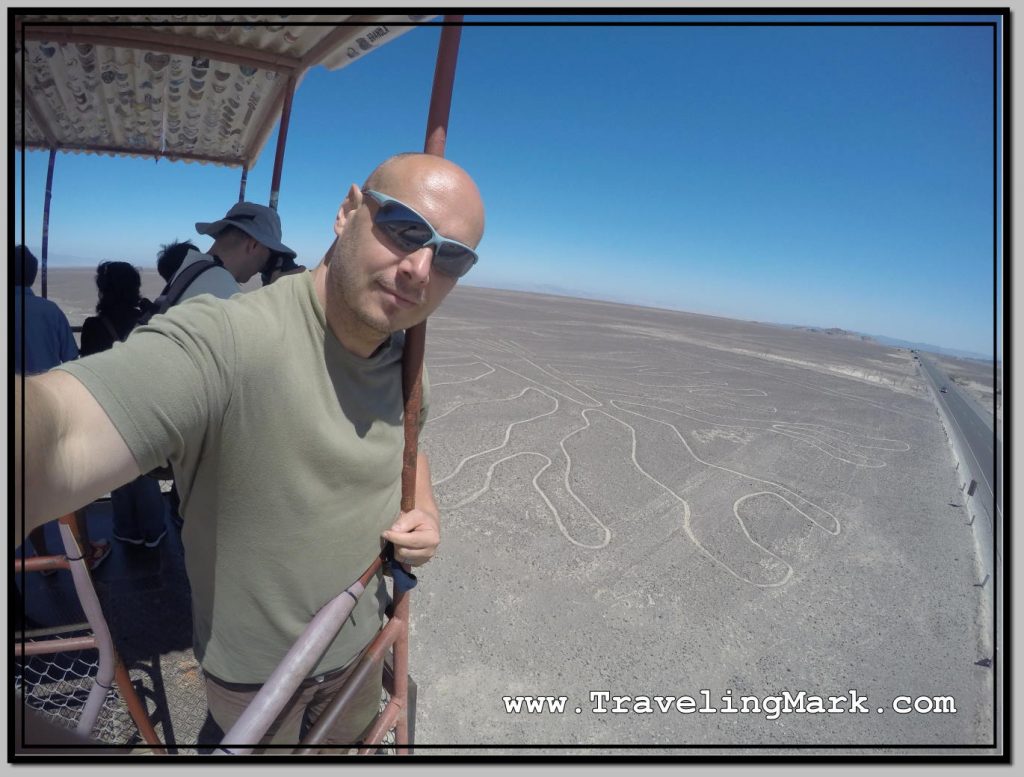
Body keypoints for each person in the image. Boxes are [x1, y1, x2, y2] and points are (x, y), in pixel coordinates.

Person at [16, 152, 485, 750]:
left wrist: (428, 509)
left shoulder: (406, 362)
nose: (421, 268)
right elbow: (58, 434)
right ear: (348, 212)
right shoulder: (229, 340)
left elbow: (408, 442)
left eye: (451, 256)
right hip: (256, 676)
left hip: (361, 648)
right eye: (405, 228)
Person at [13, 245, 110, 571]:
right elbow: (72, 361)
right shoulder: (49, 311)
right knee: (68, 484)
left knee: (24, 492)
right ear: (32, 274)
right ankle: (82, 553)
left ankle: (39, 556)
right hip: (47, 411)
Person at [80, 262, 168, 549]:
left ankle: (127, 529)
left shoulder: (94, 327)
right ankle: (154, 530)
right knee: (147, 472)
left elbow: (88, 368)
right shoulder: (147, 321)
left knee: (119, 473)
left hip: (109, 408)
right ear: (135, 287)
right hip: (145, 405)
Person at [168, 201, 299, 303]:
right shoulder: (220, 291)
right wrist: (275, 295)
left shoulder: (191, 267)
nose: (262, 268)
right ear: (253, 245)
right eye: (269, 255)